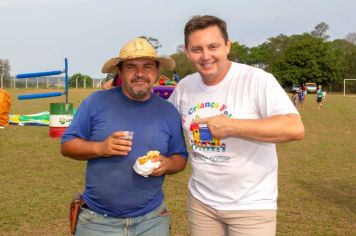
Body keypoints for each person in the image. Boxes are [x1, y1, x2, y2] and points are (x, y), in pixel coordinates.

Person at [169, 15, 305, 236]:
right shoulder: (185, 86)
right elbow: (165, 122)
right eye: (197, 49)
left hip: (251, 205)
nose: (206, 56)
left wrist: (232, 126)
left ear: (227, 46)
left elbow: (294, 128)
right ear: (186, 51)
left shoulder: (257, 80)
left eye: (213, 46)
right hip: (202, 204)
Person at [61, 37, 188, 236]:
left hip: (152, 221)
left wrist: (166, 164)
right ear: (119, 71)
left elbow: (180, 157)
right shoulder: (96, 102)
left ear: (156, 71)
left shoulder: (168, 111)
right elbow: (67, 145)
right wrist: (100, 148)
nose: (140, 74)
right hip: (97, 222)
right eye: (131, 67)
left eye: (147, 66)